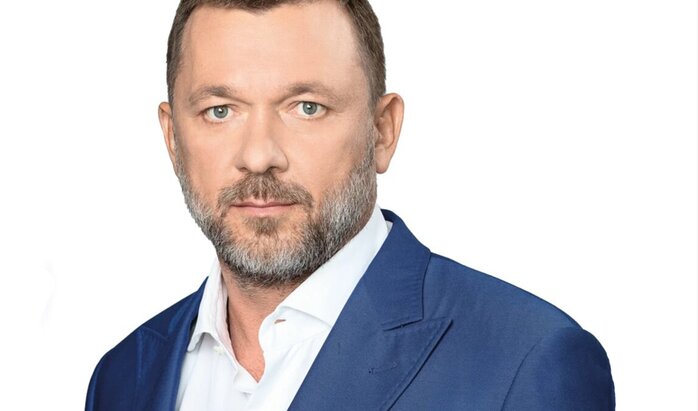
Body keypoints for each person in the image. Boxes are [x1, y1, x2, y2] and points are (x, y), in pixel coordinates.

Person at [85, 0, 615, 409]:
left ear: (382, 131)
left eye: (306, 107)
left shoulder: (526, 361)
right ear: (172, 138)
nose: (259, 155)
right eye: (220, 110)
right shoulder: (122, 377)